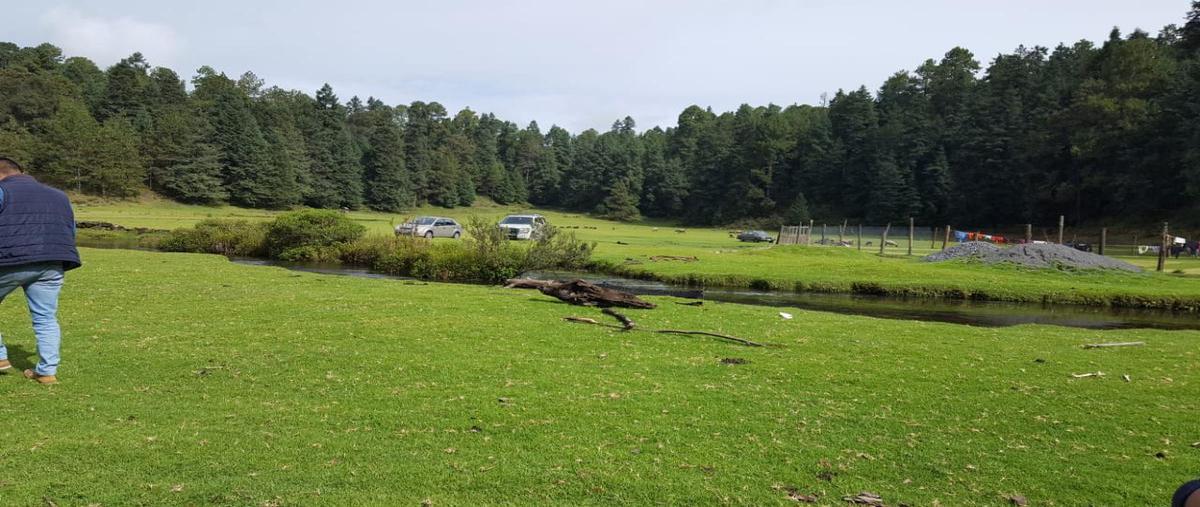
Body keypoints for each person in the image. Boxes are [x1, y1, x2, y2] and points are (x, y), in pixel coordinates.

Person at [0, 156, 81, 384]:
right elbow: (70, 229)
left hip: (9, 260)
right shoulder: (59, 195)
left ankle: (0, 358)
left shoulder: (2, 191)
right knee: (45, 318)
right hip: (53, 261)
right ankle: (46, 372)